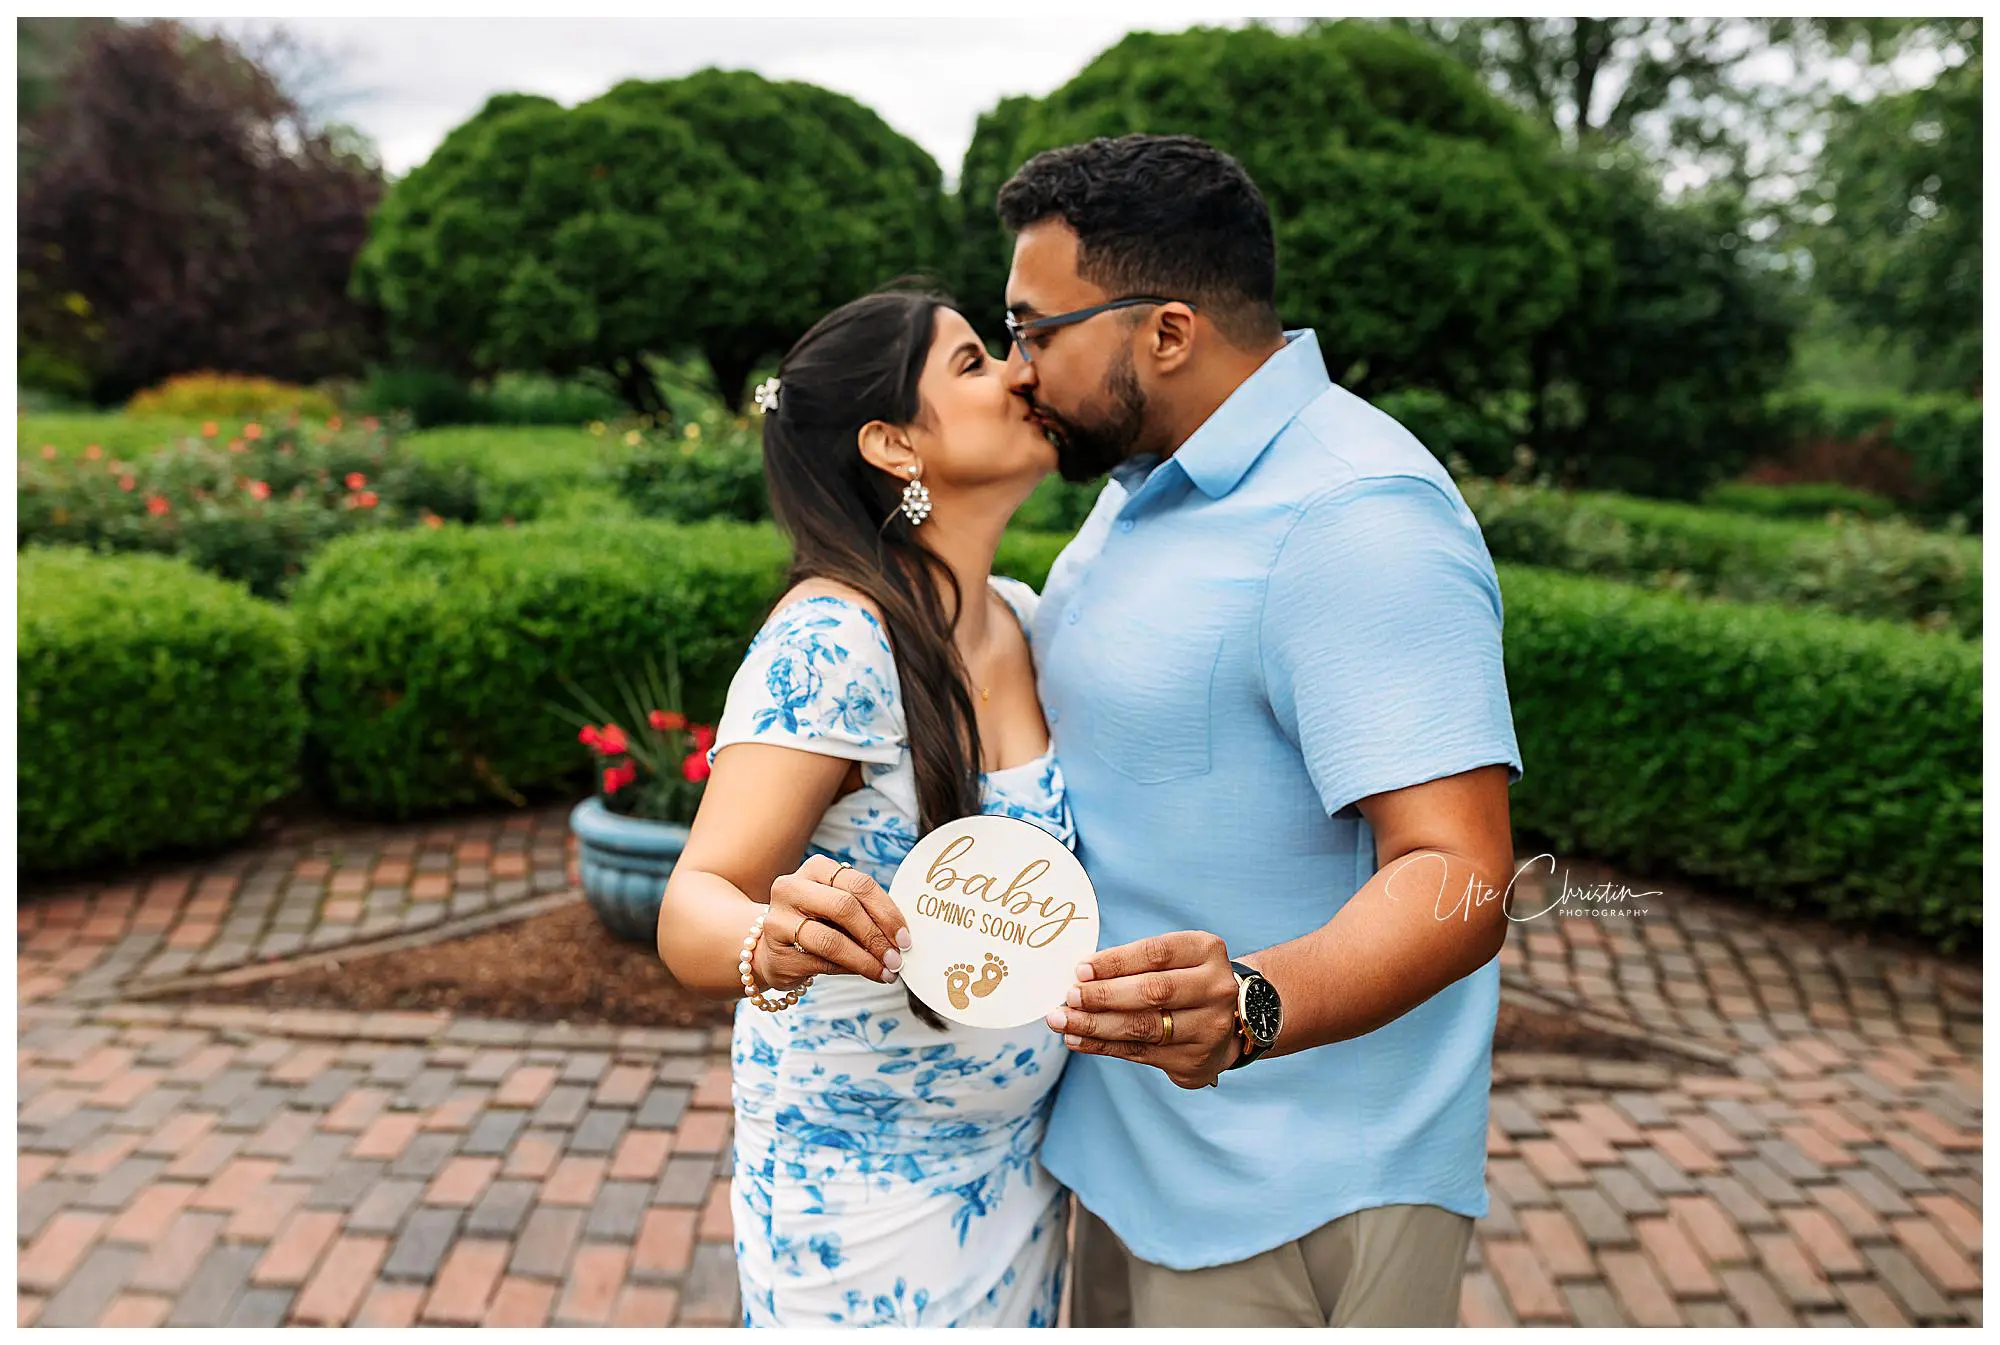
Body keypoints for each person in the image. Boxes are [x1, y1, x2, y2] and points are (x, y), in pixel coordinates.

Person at [994, 133, 1525, 1327]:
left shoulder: (1354, 515)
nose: (1016, 367)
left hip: (1296, 1192)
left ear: (1165, 332)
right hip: (1134, 1157)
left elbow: (1458, 877)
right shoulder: (1144, 483)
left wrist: (1247, 1003)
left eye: (1036, 330)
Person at [656, 288, 1073, 1328]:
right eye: (974, 362)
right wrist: (774, 934)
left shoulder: (1022, 618)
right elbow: (691, 903)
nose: (1021, 371)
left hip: (1017, 1174)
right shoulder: (835, 642)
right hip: (861, 1203)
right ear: (892, 443)